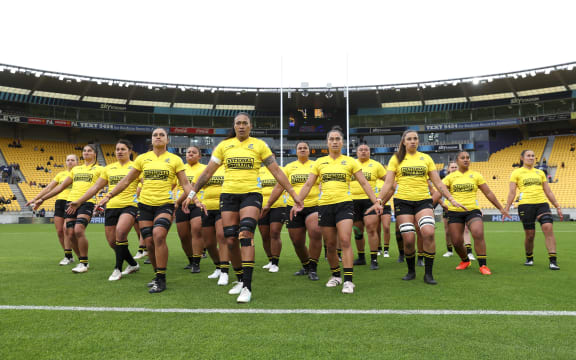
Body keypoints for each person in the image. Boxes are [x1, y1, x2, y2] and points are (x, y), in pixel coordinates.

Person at [182, 112, 302, 303]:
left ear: (250, 126)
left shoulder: (259, 145)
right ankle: (238, 279)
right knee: (230, 240)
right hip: (228, 196)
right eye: (238, 123)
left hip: (251, 195)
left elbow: (276, 171)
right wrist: (191, 194)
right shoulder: (224, 146)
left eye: (245, 123)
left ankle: (247, 286)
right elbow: (207, 173)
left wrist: (294, 195)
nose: (241, 126)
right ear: (234, 125)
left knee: (245, 234)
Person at [97, 128, 196, 293]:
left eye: (161, 135)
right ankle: (157, 275)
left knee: (158, 235)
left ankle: (162, 279)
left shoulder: (175, 159)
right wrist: (109, 195)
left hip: (165, 204)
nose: (158, 137)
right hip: (144, 206)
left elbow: (185, 184)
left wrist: (195, 199)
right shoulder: (142, 159)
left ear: (167, 140)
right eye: (155, 135)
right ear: (151, 140)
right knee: (149, 243)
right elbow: (127, 180)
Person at [291, 127, 383, 294]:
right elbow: (308, 184)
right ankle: (336, 275)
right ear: (327, 142)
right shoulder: (319, 162)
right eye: (331, 139)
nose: (334, 142)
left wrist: (376, 201)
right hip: (325, 206)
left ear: (342, 142)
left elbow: (364, 183)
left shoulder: (350, 161)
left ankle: (348, 280)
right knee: (331, 245)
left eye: (337, 139)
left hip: (345, 205)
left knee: (345, 240)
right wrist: (298, 201)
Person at [373, 130, 464, 285]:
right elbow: (388, 183)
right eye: (409, 139)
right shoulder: (396, 159)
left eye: (415, 138)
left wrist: (451, 199)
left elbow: (438, 183)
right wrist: (379, 200)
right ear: (403, 142)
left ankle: (428, 274)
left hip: (423, 201)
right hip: (403, 202)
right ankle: (411, 271)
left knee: (428, 233)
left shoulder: (426, 158)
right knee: (408, 239)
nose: (413, 141)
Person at [67, 140, 141, 281]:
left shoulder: (136, 168)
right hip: (111, 206)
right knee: (112, 242)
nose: (119, 151)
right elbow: (95, 188)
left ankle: (117, 269)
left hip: (129, 205)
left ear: (130, 151)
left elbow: (146, 184)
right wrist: (80, 201)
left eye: (123, 149)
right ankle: (132, 264)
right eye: (117, 149)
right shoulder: (109, 168)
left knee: (120, 233)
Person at [33, 144, 103, 273]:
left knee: (78, 230)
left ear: (95, 154)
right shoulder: (76, 170)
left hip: (87, 202)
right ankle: (80, 259)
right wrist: (42, 199)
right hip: (70, 203)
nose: (86, 153)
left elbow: (102, 186)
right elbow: (60, 187)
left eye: (89, 151)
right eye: (84, 151)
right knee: (69, 234)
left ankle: (84, 263)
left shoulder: (100, 169)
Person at [439, 151, 510, 275]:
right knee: (456, 242)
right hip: (455, 212)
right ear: (457, 161)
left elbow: (488, 193)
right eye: (463, 158)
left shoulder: (476, 175)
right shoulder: (450, 177)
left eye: (468, 158)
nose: (466, 160)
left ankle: (483, 265)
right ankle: (465, 260)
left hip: (472, 210)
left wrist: (501, 208)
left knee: (478, 233)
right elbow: (439, 191)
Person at [263, 141, 322, 281]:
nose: (302, 150)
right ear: (296, 151)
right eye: (299, 148)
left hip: (314, 206)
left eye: (305, 148)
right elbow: (279, 187)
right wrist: (268, 204)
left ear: (309, 151)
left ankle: (313, 268)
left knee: (315, 234)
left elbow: (324, 184)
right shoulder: (289, 168)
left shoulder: (316, 166)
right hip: (293, 208)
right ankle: (306, 265)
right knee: (297, 241)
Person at [506, 149, 563, 270]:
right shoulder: (516, 173)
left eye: (533, 156)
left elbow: (548, 191)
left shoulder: (540, 173)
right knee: (530, 235)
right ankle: (529, 257)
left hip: (542, 203)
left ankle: (553, 261)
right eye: (528, 156)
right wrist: (506, 208)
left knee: (548, 227)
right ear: (522, 158)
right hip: (525, 205)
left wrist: (557, 206)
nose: (531, 158)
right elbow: (512, 192)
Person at [26, 154, 78, 265]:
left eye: (72, 160)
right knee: (59, 232)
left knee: (66, 229)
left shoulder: (79, 174)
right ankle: (69, 256)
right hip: (60, 203)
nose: (70, 162)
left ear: (77, 162)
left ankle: (70, 256)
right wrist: (36, 199)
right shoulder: (61, 174)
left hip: (72, 202)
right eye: (68, 160)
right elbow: (49, 188)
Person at [350, 144, 386, 270]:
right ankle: (361, 257)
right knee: (357, 231)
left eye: (366, 150)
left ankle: (374, 259)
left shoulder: (376, 165)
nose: (364, 152)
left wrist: (381, 199)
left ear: (370, 152)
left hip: (370, 201)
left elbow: (389, 181)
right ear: (357, 152)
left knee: (371, 228)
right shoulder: (351, 164)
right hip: (353, 202)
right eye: (361, 150)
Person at [174, 146, 209, 273]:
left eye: (194, 152)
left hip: (197, 204)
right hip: (180, 205)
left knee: (196, 231)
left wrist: (178, 201)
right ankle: (190, 260)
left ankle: (196, 262)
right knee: (183, 236)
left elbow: (191, 187)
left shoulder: (204, 169)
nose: (190, 154)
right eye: (188, 152)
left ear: (199, 156)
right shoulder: (180, 169)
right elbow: (174, 186)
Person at [257, 165, 286, 273]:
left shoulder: (280, 170)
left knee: (274, 232)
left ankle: (275, 262)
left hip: (278, 206)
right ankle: (270, 260)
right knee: (264, 235)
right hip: (261, 206)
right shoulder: (258, 171)